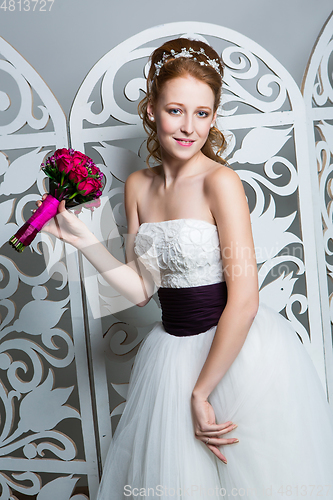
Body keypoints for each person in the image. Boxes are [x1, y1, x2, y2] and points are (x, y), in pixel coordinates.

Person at [38, 38, 333, 499]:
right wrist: (85, 241)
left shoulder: (221, 182)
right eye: (176, 110)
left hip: (237, 353)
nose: (188, 126)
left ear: (213, 118)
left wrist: (200, 392)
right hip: (170, 352)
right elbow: (139, 289)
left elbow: (246, 300)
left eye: (202, 113)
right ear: (152, 110)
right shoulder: (138, 185)